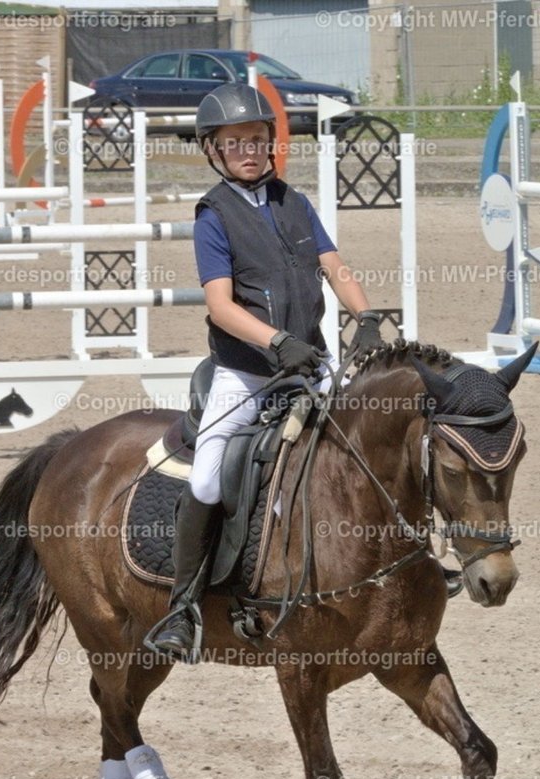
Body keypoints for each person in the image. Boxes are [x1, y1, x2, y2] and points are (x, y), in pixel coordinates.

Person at [146, 83, 385, 659]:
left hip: (311, 363)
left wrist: (369, 315)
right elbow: (221, 306)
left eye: (257, 140)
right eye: (236, 143)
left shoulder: (294, 203)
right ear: (214, 150)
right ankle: (183, 606)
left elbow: (336, 266)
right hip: (247, 372)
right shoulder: (213, 215)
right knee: (206, 479)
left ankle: (413, 560)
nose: (250, 151)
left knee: (376, 444)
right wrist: (277, 342)